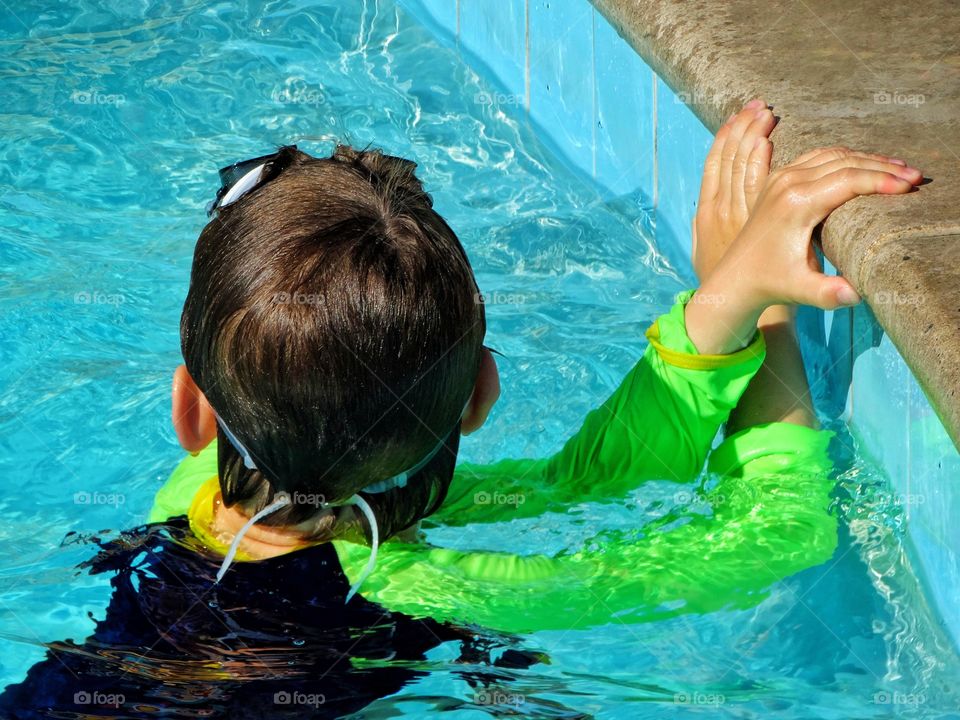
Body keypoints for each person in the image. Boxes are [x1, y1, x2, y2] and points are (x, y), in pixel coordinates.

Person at [0, 100, 922, 717]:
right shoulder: (427, 591)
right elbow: (780, 533)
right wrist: (766, 313)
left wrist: (722, 304)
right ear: (482, 395)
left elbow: (585, 480)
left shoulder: (193, 487)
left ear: (191, 409)